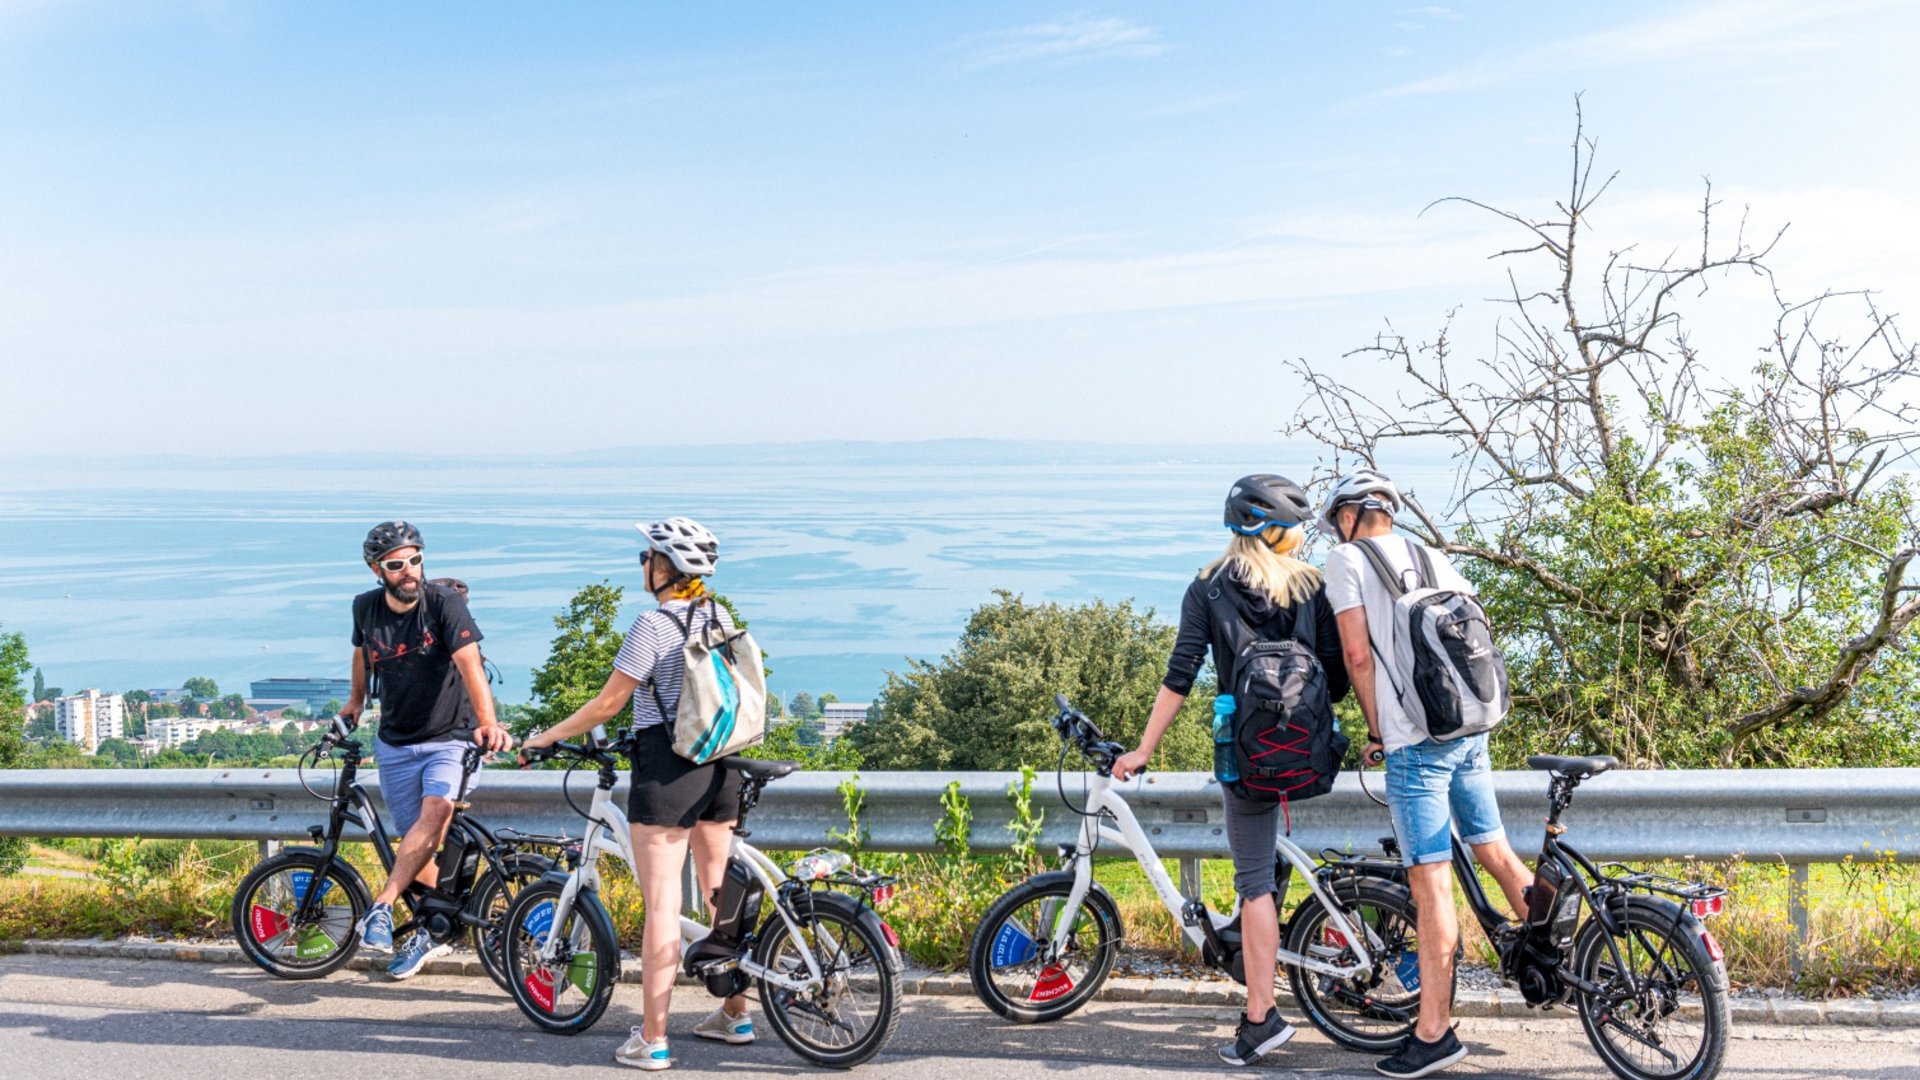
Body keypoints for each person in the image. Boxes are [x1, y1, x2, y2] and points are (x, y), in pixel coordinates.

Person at [1113, 475, 1351, 1067]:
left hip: (1245, 761)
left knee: (1254, 887)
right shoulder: (1312, 587)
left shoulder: (1207, 589)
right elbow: (1340, 678)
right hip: (1309, 758)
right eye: (1294, 526)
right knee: (1267, 877)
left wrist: (1143, 750)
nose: (1299, 534)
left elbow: (1179, 677)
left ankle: (1260, 1018)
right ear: (1272, 529)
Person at [1318, 470, 1533, 1078]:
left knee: (1431, 883)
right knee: (1493, 849)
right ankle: (1562, 952)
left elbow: (1357, 654)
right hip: (1469, 728)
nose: (1337, 528)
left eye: (1338, 519)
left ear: (1350, 517)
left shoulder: (1345, 559)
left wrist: (1379, 730)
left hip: (1415, 741)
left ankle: (1434, 1032)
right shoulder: (1431, 554)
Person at [518, 516, 750, 1072]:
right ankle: (736, 1014)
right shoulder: (720, 616)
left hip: (670, 770)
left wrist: (545, 736)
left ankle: (653, 1039)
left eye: (646, 557)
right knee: (720, 897)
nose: (642, 565)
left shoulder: (653, 625)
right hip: (723, 764)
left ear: (664, 568)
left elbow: (607, 704)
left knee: (663, 908)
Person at [342, 521, 514, 979]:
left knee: (434, 813)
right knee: (415, 846)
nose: (409, 571)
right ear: (377, 570)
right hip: (396, 743)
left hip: (451, 738)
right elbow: (361, 653)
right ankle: (438, 927)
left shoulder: (444, 603)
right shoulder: (365, 607)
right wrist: (356, 701)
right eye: (397, 565)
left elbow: (470, 664)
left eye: (415, 560)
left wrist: (488, 723)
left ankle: (381, 907)